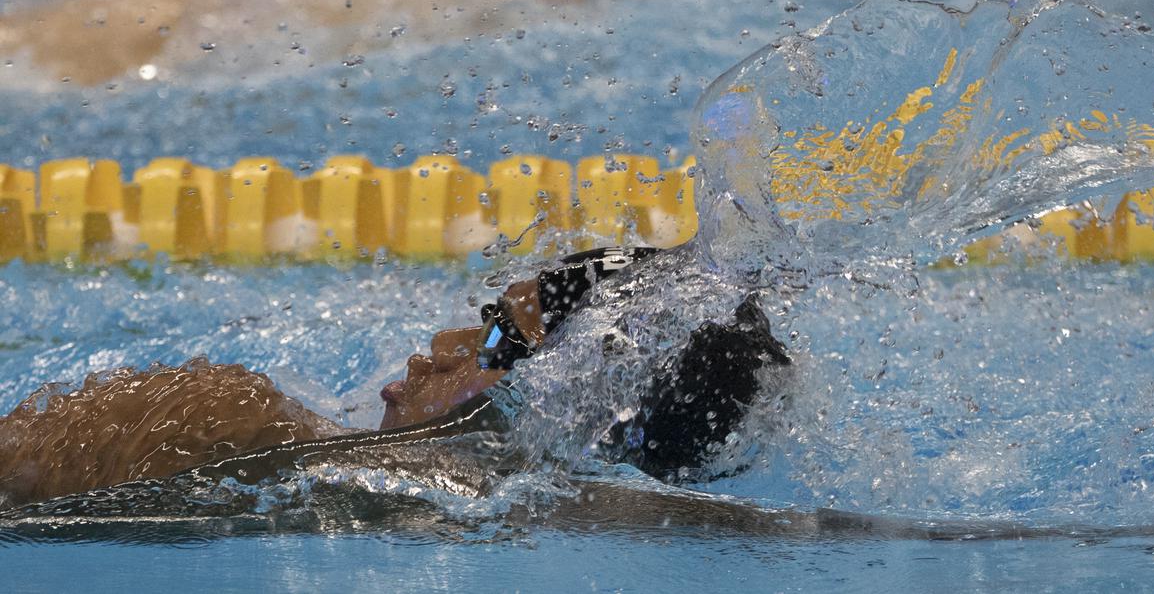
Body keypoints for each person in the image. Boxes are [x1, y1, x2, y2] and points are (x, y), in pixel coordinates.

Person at [0, 246, 787, 508]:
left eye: (490, 336)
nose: (433, 348)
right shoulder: (550, 513)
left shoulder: (241, 420)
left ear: (558, 395)